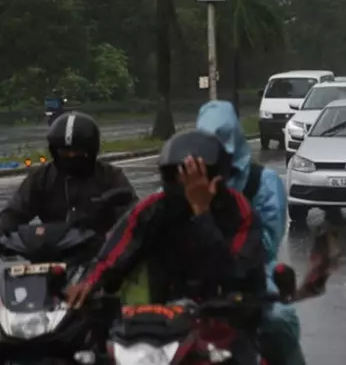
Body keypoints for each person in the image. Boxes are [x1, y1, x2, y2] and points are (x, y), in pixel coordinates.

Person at [65, 129, 266, 362]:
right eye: (180, 176)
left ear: (216, 179)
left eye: (195, 177)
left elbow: (230, 274)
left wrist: (201, 214)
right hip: (162, 320)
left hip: (228, 318)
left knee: (277, 329)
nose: (186, 185)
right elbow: (118, 249)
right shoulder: (155, 208)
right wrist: (90, 281)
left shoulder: (239, 212)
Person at [195, 100, 304, 365]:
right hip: (194, 276)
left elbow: (265, 246)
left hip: (250, 276)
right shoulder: (187, 182)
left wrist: (217, 208)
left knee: (279, 320)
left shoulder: (261, 183)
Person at [0, 111, 136, 235]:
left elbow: (133, 215)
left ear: (91, 150)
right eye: (65, 152)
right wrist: (5, 232)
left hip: (100, 254)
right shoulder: (42, 177)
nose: (71, 156)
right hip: (52, 252)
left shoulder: (110, 176)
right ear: (55, 151)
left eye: (78, 152)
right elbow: (14, 211)